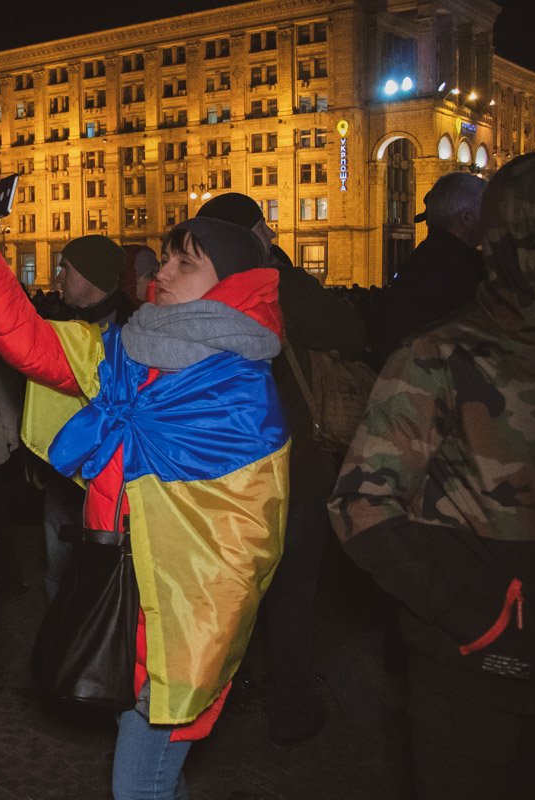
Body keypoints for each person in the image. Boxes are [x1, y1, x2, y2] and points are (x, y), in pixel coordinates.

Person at [0, 177, 290, 800]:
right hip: (124, 598)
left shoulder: (238, 393)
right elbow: (34, 340)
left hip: (182, 625)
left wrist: (197, 640)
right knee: (153, 780)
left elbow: (245, 544)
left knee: (139, 785)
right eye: (166, 257)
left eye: (185, 262)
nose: (163, 271)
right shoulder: (132, 350)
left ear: (232, 285)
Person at [329, 153, 535, 799]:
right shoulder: (438, 355)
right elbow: (360, 506)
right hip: (473, 671)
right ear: (508, 234)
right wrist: (476, 618)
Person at [196, 192, 366, 746]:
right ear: (257, 233)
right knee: (292, 596)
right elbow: (349, 333)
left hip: (223, 472)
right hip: (293, 469)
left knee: (230, 592)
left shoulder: (199, 293)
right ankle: (292, 708)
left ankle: (224, 692)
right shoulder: (277, 283)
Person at [40, 234, 136, 601]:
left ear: (93, 275)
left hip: (117, 476)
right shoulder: (57, 322)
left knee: (109, 576)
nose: (58, 277)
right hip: (63, 478)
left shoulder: (137, 328)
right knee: (58, 571)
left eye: (67, 268)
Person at [367, 172, 488, 368]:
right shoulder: (456, 269)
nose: (493, 220)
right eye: (487, 211)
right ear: (466, 217)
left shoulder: (429, 261)